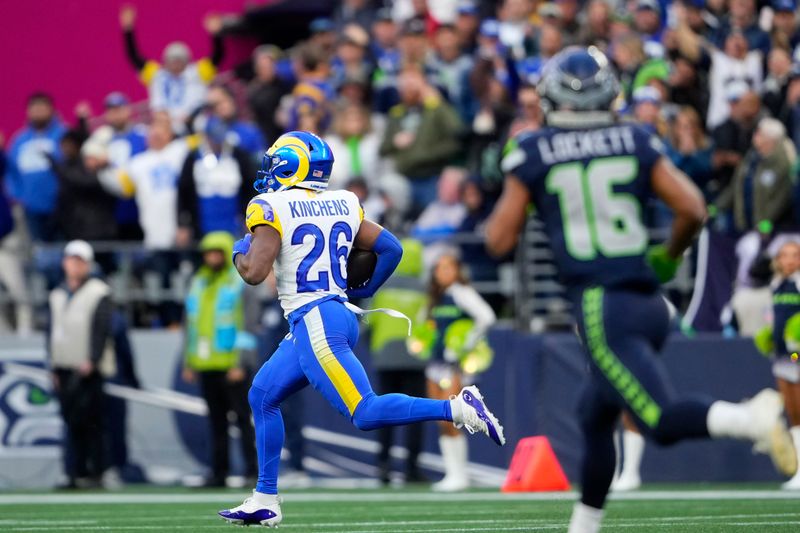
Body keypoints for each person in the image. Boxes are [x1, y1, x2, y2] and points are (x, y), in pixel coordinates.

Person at [484, 47, 796, 533]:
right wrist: (668, 257)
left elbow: (497, 240)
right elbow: (693, 208)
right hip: (649, 302)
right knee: (594, 414)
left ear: (551, 98)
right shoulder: (634, 137)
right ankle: (584, 526)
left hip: (599, 303)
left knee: (658, 420)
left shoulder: (533, 151)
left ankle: (751, 419)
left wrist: (525, 182)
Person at [218, 131, 504, 527]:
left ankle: (457, 407)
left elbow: (254, 272)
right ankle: (265, 496)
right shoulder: (343, 202)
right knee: (263, 395)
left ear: (289, 165)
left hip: (316, 318)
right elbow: (392, 249)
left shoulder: (270, 206)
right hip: (329, 314)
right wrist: (364, 288)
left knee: (365, 412)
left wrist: (238, 247)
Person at [182, 232, 258, 487]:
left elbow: (249, 325)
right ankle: (218, 472)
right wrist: (188, 361)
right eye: (208, 253)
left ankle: (252, 471)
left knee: (242, 419)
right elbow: (191, 325)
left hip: (231, 364)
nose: (211, 257)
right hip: (206, 364)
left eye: (217, 252)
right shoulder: (198, 283)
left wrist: (241, 362)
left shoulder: (239, 283)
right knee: (216, 422)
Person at [423, 252, 497, 492]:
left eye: (448, 268)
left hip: (455, 364)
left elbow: (487, 317)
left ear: (457, 271)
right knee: (439, 417)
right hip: (435, 361)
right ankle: (452, 472)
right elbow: (425, 324)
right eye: (439, 268)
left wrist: (465, 344)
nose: (443, 272)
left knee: (451, 415)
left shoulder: (462, 292)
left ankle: (460, 474)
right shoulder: (436, 296)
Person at [48, 240, 114, 488]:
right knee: (71, 422)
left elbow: (102, 328)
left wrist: (93, 359)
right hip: (64, 367)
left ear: (87, 264)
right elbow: (53, 333)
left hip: (88, 369)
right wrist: (53, 365)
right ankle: (75, 472)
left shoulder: (99, 291)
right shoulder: (56, 293)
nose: (74, 265)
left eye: (79, 261)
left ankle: (96, 472)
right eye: (71, 260)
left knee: (92, 422)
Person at [368, 239, 429, 484]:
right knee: (415, 414)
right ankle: (412, 468)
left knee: (384, 412)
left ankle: (383, 466)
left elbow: (368, 321)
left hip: (385, 358)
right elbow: (428, 325)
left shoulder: (381, 286)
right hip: (415, 358)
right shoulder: (424, 289)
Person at [119, 5, 225, 132]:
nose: (175, 64)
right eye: (172, 60)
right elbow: (134, 57)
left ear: (187, 61)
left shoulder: (197, 72)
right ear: (165, 62)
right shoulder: (156, 74)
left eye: (179, 60)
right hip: (166, 128)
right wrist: (128, 31)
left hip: (196, 125)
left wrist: (216, 34)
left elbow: (218, 56)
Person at [177, 116, 254, 244]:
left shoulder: (239, 156)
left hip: (233, 223)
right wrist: (183, 224)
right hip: (202, 224)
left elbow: (250, 188)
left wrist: (249, 219)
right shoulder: (193, 158)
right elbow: (183, 191)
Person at [762, 241, 800, 490]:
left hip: (797, 356)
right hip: (781, 356)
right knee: (793, 414)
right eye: (784, 256)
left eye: (794, 255)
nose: (789, 260)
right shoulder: (776, 285)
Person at [4, 92, 66, 241]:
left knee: (61, 252)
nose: (38, 111)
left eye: (42, 107)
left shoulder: (63, 135)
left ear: (51, 110)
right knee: (36, 254)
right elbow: (10, 171)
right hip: (30, 209)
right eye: (34, 108)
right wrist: (19, 196)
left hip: (61, 207)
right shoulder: (20, 140)